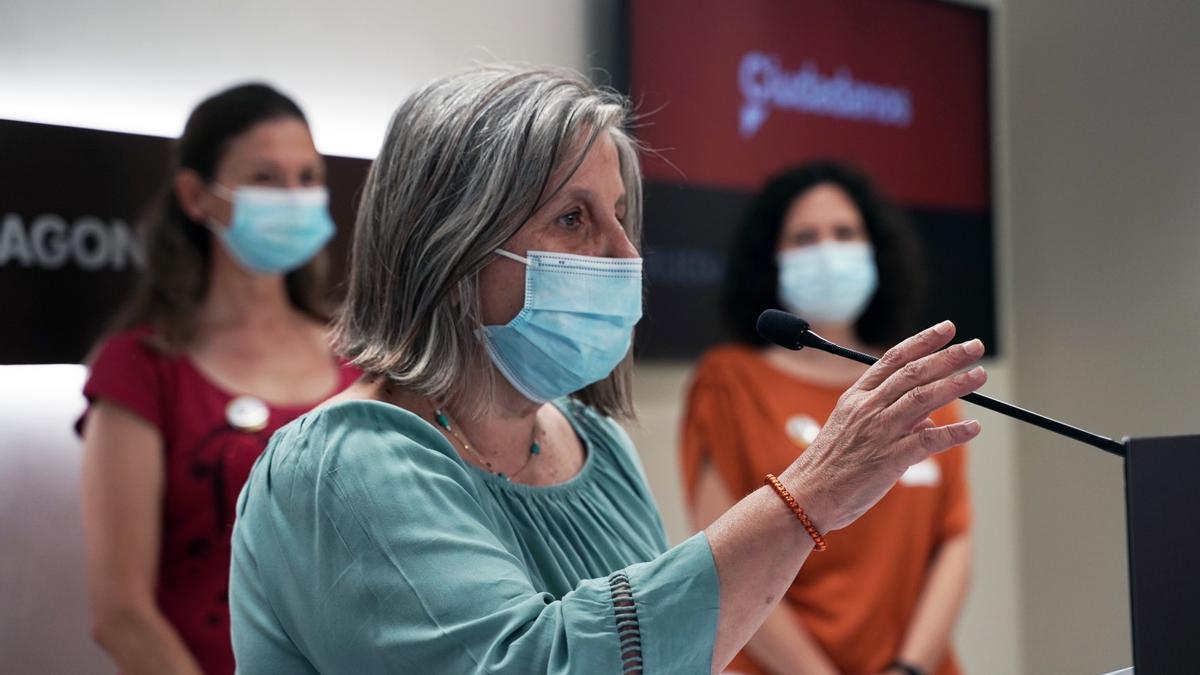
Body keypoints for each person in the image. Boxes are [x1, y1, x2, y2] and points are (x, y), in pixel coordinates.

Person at [228, 66, 987, 675]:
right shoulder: (344, 467)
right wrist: (810, 495)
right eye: (573, 218)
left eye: (619, 215)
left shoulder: (594, 442)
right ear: (451, 248)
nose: (626, 255)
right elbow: (538, 661)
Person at [79, 83, 359, 675]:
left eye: (308, 177)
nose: (295, 197)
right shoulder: (141, 369)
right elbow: (122, 615)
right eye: (265, 178)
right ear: (196, 196)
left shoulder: (361, 356)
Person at [681, 162, 972, 675]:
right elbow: (727, 557)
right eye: (804, 237)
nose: (828, 249)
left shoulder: (916, 379)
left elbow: (956, 539)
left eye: (844, 233)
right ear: (771, 259)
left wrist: (910, 668)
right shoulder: (728, 382)